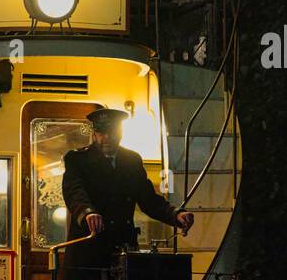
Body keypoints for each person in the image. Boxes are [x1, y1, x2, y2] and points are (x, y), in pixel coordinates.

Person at [60, 106, 193, 270]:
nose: (107, 137)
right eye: (102, 133)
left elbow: (148, 199)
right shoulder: (77, 160)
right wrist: (88, 212)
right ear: (94, 134)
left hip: (121, 249)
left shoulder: (131, 161)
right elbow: (74, 191)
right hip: (88, 251)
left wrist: (175, 214)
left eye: (112, 132)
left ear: (121, 133)